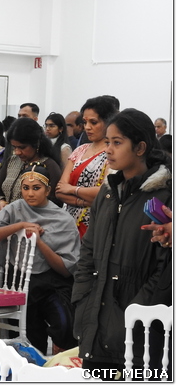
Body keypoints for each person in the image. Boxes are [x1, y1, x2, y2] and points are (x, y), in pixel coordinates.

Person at [72, 108, 172, 377]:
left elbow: (164, 269)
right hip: (96, 317)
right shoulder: (107, 193)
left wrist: (135, 313)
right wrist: (83, 300)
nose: (108, 150)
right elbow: (88, 250)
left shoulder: (164, 196)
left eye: (117, 142)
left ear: (140, 147)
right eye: (107, 142)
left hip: (142, 327)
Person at [0, 163, 80, 354]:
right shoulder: (15, 209)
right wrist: (19, 226)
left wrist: (38, 242)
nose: (30, 193)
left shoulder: (62, 219)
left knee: (65, 325)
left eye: (36, 188)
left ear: (47, 190)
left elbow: (65, 269)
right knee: (30, 343)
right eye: (25, 188)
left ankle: (60, 363)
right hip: (19, 282)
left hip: (52, 284)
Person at [55, 96, 117, 238]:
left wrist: (72, 189)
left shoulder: (112, 152)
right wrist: (84, 201)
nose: (87, 127)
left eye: (93, 122)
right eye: (85, 122)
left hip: (96, 222)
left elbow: (105, 193)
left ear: (108, 122)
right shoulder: (80, 150)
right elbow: (59, 190)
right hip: (69, 222)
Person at [0, 117, 62, 212]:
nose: (17, 152)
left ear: (36, 144)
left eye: (22, 147)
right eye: (14, 147)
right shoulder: (12, 161)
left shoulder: (49, 166)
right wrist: (1, 202)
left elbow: (54, 202)